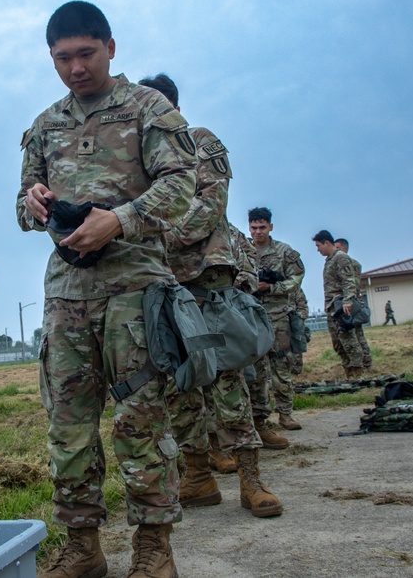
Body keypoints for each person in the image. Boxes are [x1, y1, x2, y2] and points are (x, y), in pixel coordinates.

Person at [18, 2, 197, 578]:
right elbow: (23, 206)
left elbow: (182, 187)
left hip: (133, 293)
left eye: (85, 54)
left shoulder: (149, 108)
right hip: (66, 294)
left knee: (140, 419)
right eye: (62, 58)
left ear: (111, 48)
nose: (75, 68)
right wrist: (32, 204)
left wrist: (118, 220)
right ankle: (83, 545)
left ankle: (152, 545)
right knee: (67, 424)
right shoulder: (46, 124)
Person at [140, 74, 282, 519]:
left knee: (225, 378)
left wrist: (156, 237)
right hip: (164, 284)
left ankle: (250, 479)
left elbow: (209, 205)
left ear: (174, 105)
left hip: (205, 282)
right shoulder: (138, 155)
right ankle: (198, 476)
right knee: (181, 383)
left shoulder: (200, 141)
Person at [247, 207, 306, 436]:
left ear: (270, 226)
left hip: (279, 316)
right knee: (255, 369)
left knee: (281, 366)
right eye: (254, 227)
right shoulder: (243, 251)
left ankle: (285, 413)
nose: (258, 232)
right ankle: (259, 417)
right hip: (252, 318)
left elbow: (297, 279)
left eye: (262, 227)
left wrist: (273, 287)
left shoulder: (284, 252)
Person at [312, 230, 367, 379]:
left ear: (327, 243)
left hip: (342, 306)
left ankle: (357, 373)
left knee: (348, 340)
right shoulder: (330, 259)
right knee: (338, 342)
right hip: (333, 306)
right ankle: (348, 371)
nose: (318, 249)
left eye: (318, 246)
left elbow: (348, 281)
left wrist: (347, 301)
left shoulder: (341, 258)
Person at [334, 238, 372, 369]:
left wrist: (347, 301)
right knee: (351, 334)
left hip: (351, 302)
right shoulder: (337, 262)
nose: (336, 250)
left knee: (357, 334)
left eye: (338, 247)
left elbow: (352, 285)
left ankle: (366, 362)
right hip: (344, 302)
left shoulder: (352, 263)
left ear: (345, 248)